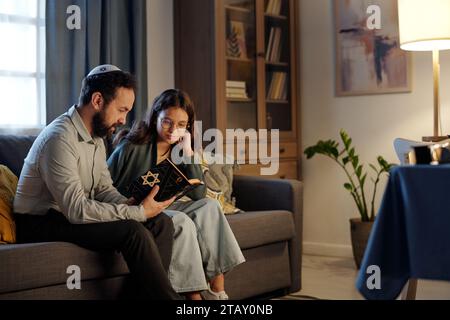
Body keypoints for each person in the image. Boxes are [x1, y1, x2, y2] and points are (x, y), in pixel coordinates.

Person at [13, 65, 182, 300]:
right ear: (98, 100)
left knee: (161, 223)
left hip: (65, 214)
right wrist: (137, 213)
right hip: (40, 221)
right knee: (133, 230)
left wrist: (130, 203)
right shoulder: (60, 138)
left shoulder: (96, 137)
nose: (124, 119)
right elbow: (76, 209)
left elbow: (102, 189)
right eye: (122, 109)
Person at [107, 89, 246, 300]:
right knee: (181, 221)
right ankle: (193, 298)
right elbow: (103, 185)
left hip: (167, 205)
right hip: (139, 210)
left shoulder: (180, 149)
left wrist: (189, 153)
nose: (173, 130)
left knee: (210, 206)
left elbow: (200, 195)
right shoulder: (130, 147)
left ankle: (217, 291)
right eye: (167, 122)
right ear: (155, 117)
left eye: (182, 125)